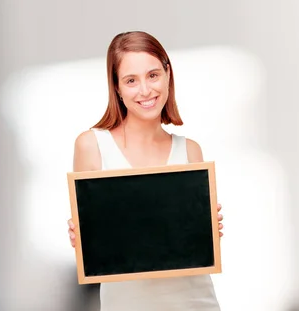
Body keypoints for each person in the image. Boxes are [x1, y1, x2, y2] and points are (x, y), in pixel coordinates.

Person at [66, 31, 224, 311]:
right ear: (116, 87)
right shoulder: (92, 146)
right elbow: (93, 250)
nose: (145, 91)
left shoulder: (190, 151)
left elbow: (192, 246)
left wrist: (206, 231)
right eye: (131, 81)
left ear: (167, 74)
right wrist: (84, 238)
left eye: (153, 75)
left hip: (195, 301)